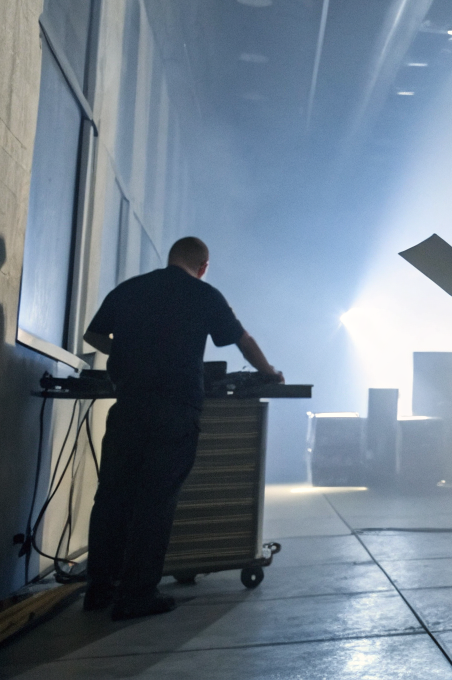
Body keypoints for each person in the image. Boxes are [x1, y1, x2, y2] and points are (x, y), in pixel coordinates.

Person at [81, 237, 281, 620]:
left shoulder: (131, 289)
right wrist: (268, 372)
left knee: (112, 498)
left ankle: (100, 588)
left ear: (170, 257)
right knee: (155, 503)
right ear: (203, 266)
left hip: (129, 408)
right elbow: (242, 341)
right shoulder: (204, 295)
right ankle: (136, 596)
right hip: (174, 412)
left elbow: (93, 335)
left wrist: (128, 351)